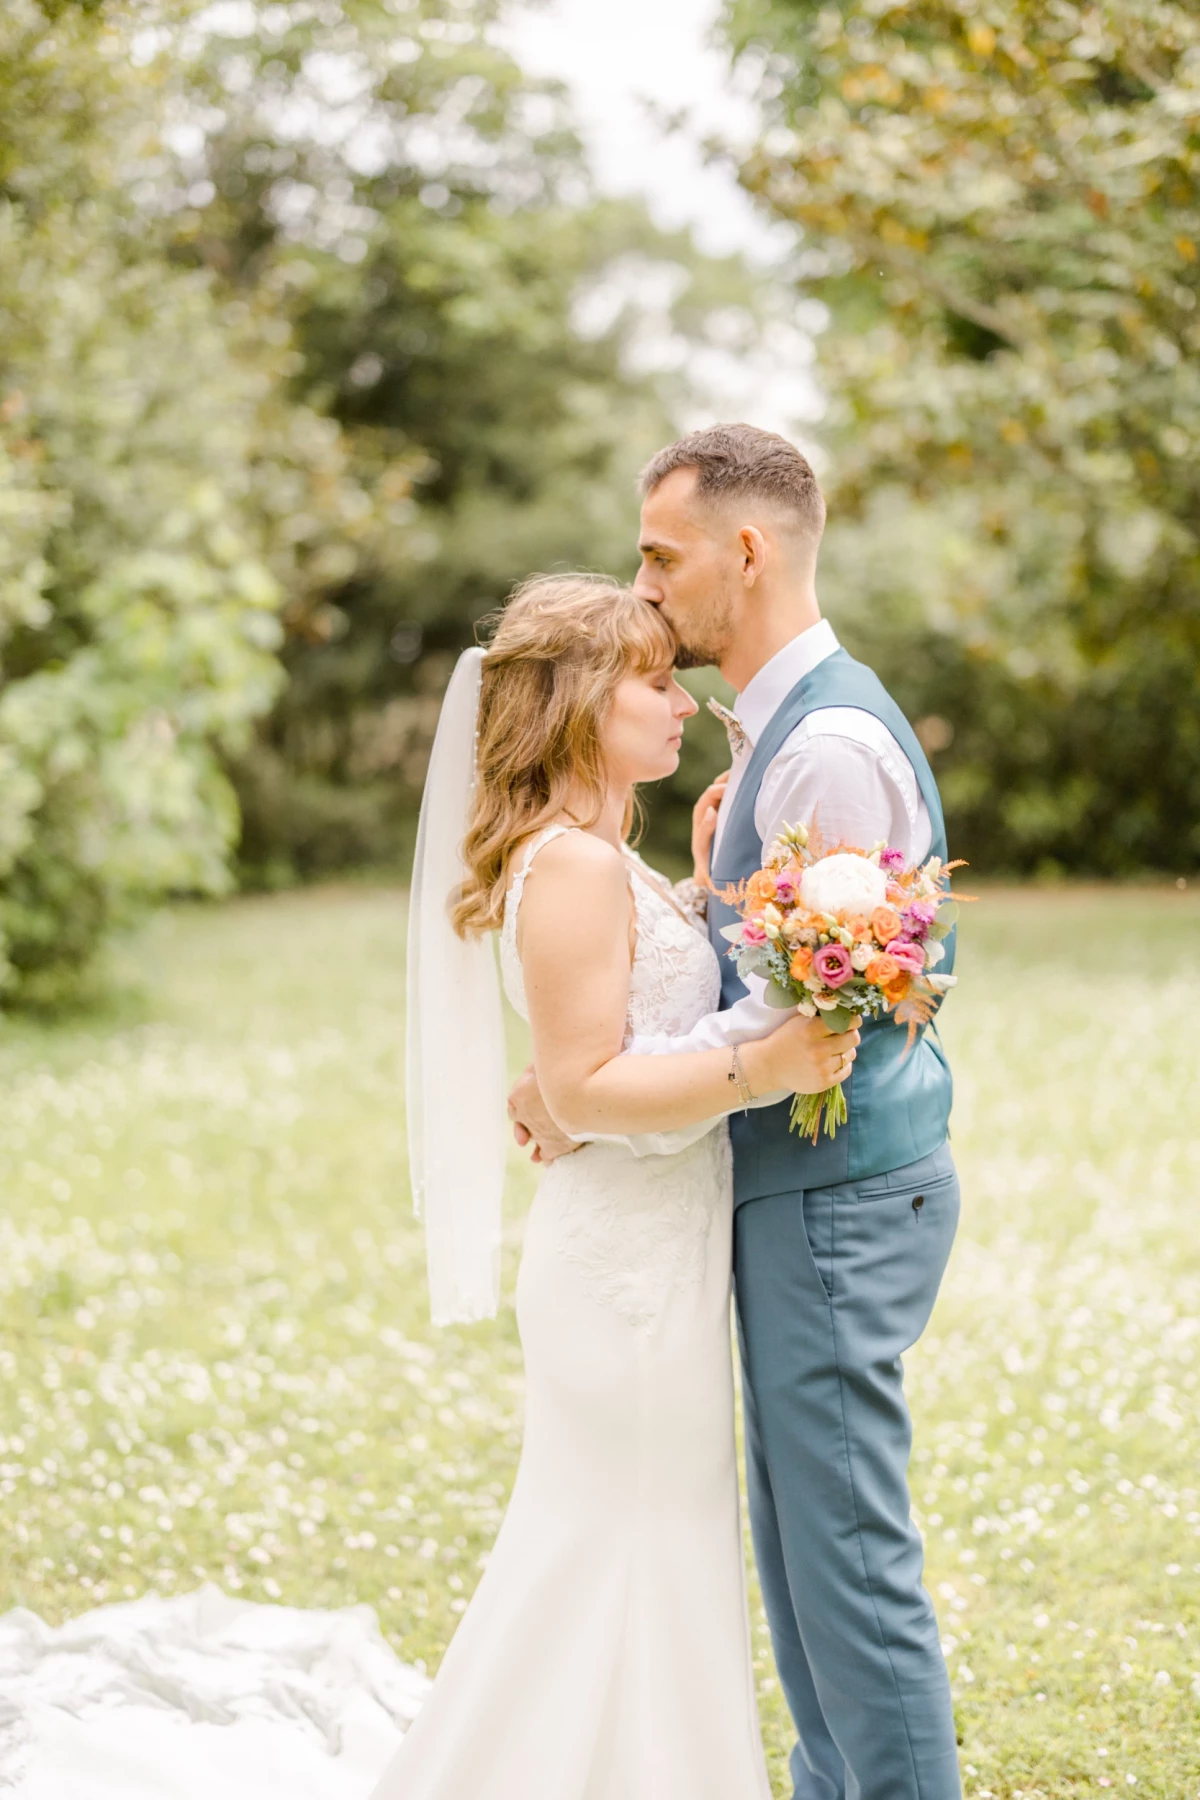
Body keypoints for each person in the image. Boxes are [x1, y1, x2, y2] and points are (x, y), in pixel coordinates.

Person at [510, 425, 963, 1800]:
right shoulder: (778, 737)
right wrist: (713, 897)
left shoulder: (820, 743)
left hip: (835, 1195)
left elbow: (815, 1019)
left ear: (746, 551)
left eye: (662, 556)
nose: (644, 591)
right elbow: (778, 974)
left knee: (845, 1565)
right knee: (805, 1555)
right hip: (792, 1191)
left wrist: (579, 1090)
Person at [374, 572, 857, 1799]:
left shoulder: (600, 861)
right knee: (617, 1547)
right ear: (586, 705)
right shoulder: (577, 869)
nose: (681, 702)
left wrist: (697, 890)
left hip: (654, 1254)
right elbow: (587, 1089)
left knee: (650, 1547)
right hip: (625, 1279)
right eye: (653, 680)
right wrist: (766, 1064)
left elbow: (602, 1041)